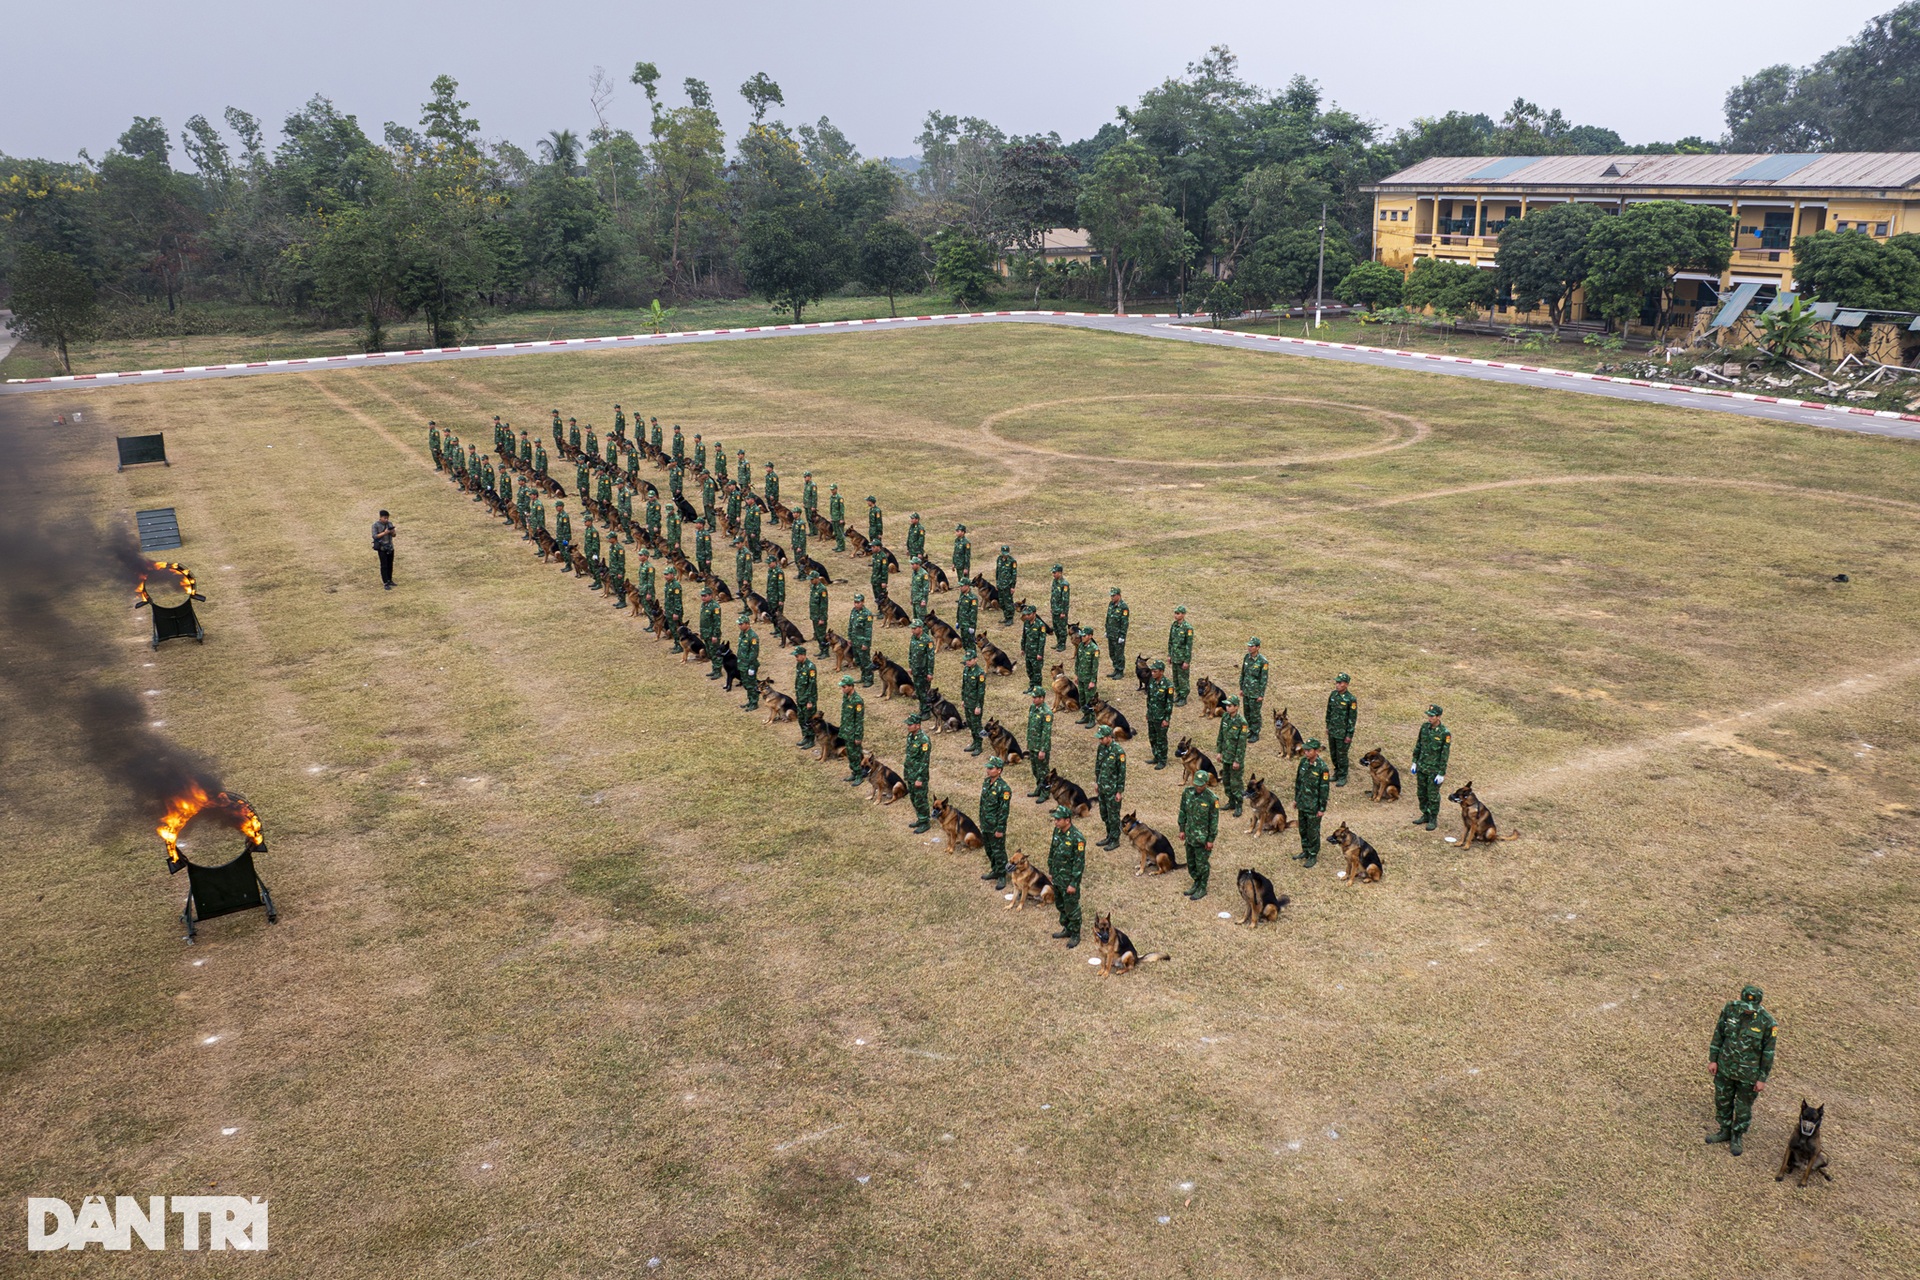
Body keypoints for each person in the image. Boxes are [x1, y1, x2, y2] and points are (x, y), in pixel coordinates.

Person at [1707, 984, 1778, 1156]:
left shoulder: (1767, 1023)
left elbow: (1768, 1053)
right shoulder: (1730, 1010)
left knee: (1743, 1107)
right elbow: (1719, 1034)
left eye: (1751, 1008)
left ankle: (1737, 1136)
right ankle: (1724, 1130)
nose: (1747, 1010)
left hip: (1748, 1075)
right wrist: (1713, 1059)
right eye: (1745, 1006)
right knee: (1722, 1100)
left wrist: (1762, 1078)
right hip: (1725, 1068)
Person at [1047, 805, 1086, 948]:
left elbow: (1079, 863)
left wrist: (1073, 884)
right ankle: (1067, 928)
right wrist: (1051, 871)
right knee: (1060, 904)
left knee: (1071, 907)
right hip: (1057, 877)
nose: (1055, 822)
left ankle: (1075, 933)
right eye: (1055, 819)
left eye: (1058, 819)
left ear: (1067, 820)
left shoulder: (1078, 838)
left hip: (1068, 880)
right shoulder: (1057, 831)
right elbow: (1053, 851)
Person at [1411, 704, 1451, 831]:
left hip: (1434, 770)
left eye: (1432, 716)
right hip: (1422, 767)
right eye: (1429, 715)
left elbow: (1444, 755)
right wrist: (1414, 761)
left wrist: (1441, 773)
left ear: (1438, 717)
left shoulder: (1445, 733)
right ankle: (1425, 814)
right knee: (1421, 793)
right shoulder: (1424, 728)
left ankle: (1433, 817)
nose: (1429, 718)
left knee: (1432, 795)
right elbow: (1419, 744)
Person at [1179, 770, 1219, 899]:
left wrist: (1210, 839)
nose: (1198, 787)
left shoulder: (1212, 799)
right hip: (1190, 835)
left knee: (1202, 864)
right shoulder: (1187, 792)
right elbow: (1183, 811)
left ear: (1206, 784)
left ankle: (1202, 887)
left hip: (1202, 839)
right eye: (1196, 784)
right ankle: (1196, 882)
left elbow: (1214, 821)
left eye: (1201, 785)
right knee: (1191, 863)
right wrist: (1181, 829)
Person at [1293, 738, 1330, 867]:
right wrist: (1296, 799)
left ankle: (1313, 855)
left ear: (1316, 751)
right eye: (1305, 750)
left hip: (1313, 807)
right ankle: (1305, 850)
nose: (1306, 752)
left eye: (1309, 750)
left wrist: (1321, 808)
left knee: (1312, 832)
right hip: (1302, 803)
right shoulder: (1303, 762)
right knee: (1302, 829)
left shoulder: (1322, 768)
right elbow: (1298, 782)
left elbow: (1324, 790)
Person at [978, 757, 1012, 889]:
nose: (988, 770)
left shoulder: (1004, 789)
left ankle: (1002, 875)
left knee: (999, 851)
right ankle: (995, 870)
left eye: (991, 768)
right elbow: (983, 803)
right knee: (989, 849)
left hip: (995, 826)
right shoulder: (986, 782)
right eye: (988, 767)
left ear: (999, 770)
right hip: (985, 824)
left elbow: (1004, 811)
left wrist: (1000, 829)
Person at [1094, 723, 1127, 850]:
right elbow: (1098, 766)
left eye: (1102, 738)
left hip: (1112, 790)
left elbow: (1121, 773)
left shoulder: (1119, 751)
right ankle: (1109, 836)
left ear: (1109, 737)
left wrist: (1119, 791)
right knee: (1104, 814)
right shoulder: (1101, 748)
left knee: (1113, 815)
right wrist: (1097, 782)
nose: (1100, 740)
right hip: (1102, 787)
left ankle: (1115, 839)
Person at [1217, 695, 1249, 816]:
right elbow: (1221, 735)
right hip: (1225, 756)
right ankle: (1231, 802)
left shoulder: (1242, 722)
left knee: (1236, 783)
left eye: (1230, 706)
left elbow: (1241, 745)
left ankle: (1239, 804)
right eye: (1226, 705)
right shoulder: (1225, 717)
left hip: (1235, 758)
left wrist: (1237, 760)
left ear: (1236, 707)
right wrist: (1219, 752)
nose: (1227, 707)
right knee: (1226, 780)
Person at [1326, 674, 1359, 787]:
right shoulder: (1333, 695)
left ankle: (1342, 776)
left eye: (1340, 683)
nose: (1337, 685)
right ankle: (1337, 772)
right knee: (1333, 754)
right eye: (1337, 682)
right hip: (1332, 730)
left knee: (1342, 756)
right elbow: (1329, 711)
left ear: (1346, 684)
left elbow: (1352, 719)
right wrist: (1327, 726)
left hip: (1343, 733)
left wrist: (1349, 734)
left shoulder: (1351, 699)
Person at [904, 713, 933, 832]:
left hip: (919, 775)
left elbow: (925, 761)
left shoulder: (924, 740)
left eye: (910, 724)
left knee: (920, 799)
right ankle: (920, 819)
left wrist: (920, 778)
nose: (908, 726)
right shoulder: (911, 737)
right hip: (910, 773)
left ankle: (925, 821)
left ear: (918, 726)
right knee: (913, 797)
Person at [1024, 686, 1053, 800]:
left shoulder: (1047, 713)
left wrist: (1043, 749)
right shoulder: (1032, 708)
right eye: (1033, 697)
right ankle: (1039, 787)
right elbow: (1031, 726)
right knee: (1035, 769)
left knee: (1043, 771)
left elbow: (1046, 733)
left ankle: (1045, 792)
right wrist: (1029, 742)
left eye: (1036, 697)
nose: (1033, 699)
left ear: (1042, 698)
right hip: (1033, 744)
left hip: (1040, 747)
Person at [1240, 637, 1269, 742]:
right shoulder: (1246, 658)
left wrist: (1261, 695)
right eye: (1249, 645)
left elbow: (1263, 680)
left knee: (1255, 714)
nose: (1249, 648)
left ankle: (1255, 733)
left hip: (1255, 693)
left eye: (1252, 646)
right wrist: (1241, 688)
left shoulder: (1263, 662)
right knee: (1247, 712)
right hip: (1246, 691)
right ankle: (1251, 730)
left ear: (1258, 647)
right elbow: (1243, 673)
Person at [840, 676, 867, 784]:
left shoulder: (857, 701)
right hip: (846, 731)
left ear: (851, 686)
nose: (843, 689)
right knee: (850, 754)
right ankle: (854, 772)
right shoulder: (846, 697)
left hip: (853, 733)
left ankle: (859, 774)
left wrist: (858, 736)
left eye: (844, 687)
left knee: (856, 754)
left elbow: (859, 720)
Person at [1147, 659, 1173, 768]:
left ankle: (1162, 760)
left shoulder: (1168, 685)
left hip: (1161, 717)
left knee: (1161, 739)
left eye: (1155, 671)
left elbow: (1169, 703)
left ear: (1161, 672)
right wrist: (1148, 712)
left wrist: (1166, 719)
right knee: (1152, 737)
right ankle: (1156, 756)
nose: (1152, 673)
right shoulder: (1151, 682)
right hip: (1152, 715)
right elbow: (1149, 698)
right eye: (1152, 671)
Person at [960, 649, 986, 755]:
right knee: (970, 724)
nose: (967, 662)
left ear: (976, 659)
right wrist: (963, 699)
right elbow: (964, 686)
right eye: (967, 660)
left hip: (975, 704)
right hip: (967, 702)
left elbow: (981, 692)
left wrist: (978, 706)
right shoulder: (966, 670)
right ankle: (974, 742)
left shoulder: (980, 673)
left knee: (977, 726)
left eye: (970, 660)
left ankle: (979, 746)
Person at [793, 648, 819, 749]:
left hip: (808, 699)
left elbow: (812, 685)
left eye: (797, 656)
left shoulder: (811, 667)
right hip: (801, 697)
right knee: (801, 717)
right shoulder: (799, 665)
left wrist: (810, 701)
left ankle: (811, 739)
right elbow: (798, 681)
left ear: (803, 655)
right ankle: (806, 736)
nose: (796, 658)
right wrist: (798, 695)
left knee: (809, 719)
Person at [1168, 606, 1194, 705]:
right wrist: (1169, 655)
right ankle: (1178, 694)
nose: (1176, 615)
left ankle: (1183, 697)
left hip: (1182, 658)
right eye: (1175, 613)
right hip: (1175, 656)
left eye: (1178, 613)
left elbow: (1189, 645)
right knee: (1176, 677)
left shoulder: (1188, 628)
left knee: (1183, 678)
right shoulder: (1174, 625)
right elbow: (1170, 641)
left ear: (1183, 614)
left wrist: (1187, 661)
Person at [908, 621, 935, 714]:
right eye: (912, 628)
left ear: (921, 628)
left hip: (924, 671)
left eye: (914, 628)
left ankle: (926, 711)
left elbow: (931, 658)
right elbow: (911, 653)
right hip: (916, 669)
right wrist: (911, 666)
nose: (912, 630)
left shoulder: (928, 640)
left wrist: (930, 673)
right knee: (918, 690)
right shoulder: (913, 638)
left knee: (924, 692)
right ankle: (922, 708)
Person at [848, 593, 875, 686]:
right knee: (859, 661)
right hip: (855, 641)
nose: (856, 604)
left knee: (865, 661)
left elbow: (868, 630)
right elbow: (850, 625)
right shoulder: (853, 611)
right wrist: (850, 638)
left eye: (858, 602)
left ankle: (869, 679)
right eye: (855, 602)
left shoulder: (867, 614)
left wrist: (866, 643)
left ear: (863, 602)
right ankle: (863, 677)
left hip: (862, 642)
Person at [1020, 604, 1047, 691]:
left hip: (1036, 653)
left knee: (1037, 672)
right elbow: (1024, 636)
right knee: (1029, 671)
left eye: (1029, 614)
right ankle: (1032, 687)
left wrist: (1040, 653)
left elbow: (1042, 641)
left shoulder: (1040, 625)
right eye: (1026, 614)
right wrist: (1022, 648)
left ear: (1034, 613)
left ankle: (1038, 689)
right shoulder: (1026, 623)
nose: (1027, 616)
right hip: (1028, 651)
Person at [737, 616, 761, 711]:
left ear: (747, 624)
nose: (739, 626)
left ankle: (754, 702)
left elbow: (754, 652)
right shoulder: (743, 634)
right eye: (739, 624)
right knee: (746, 684)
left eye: (741, 624)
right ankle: (750, 700)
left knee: (751, 684)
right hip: (742, 664)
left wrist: (751, 666)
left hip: (749, 665)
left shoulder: (753, 636)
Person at [1104, 587, 1130, 678]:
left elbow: (1124, 623)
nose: (1112, 597)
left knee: (1119, 654)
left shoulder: (1123, 607)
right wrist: (1107, 630)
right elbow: (1108, 618)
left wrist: (1122, 636)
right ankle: (1116, 668)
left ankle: (1120, 671)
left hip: (1118, 635)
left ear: (1119, 595)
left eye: (1113, 596)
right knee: (1112, 653)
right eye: (1111, 596)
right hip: (1111, 633)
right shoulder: (1111, 604)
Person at [699, 589, 724, 679]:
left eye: (705, 596)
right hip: (705, 633)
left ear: (710, 596)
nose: (703, 598)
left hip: (712, 634)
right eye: (702, 596)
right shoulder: (704, 605)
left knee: (715, 652)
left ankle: (718, 671)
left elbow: (717, 623)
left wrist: (715, 635)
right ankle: (714, 669)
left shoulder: (715, 607)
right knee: (710, 652)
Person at [371, 510, 397, 589]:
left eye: (387, 518)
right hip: (382, 548)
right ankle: (385, 582)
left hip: (390, 547)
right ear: (380, 517)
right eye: (385, 518)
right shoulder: (375, 525)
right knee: (384, 565)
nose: (386, 520)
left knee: (390, 564)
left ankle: (390, 579)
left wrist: (392, 532)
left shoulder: (389, 524)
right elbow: (375, 536)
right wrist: (384, 533)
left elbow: (394, 535)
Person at [1048, 565, 1071, 651]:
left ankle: (1062, 644)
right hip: (1055, 609)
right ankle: (1058, 642)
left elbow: (1065, 599)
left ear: (1060, 573)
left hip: (1061, 610)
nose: (1053, 574)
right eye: (1053, 572)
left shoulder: (1064, 584)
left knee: (1061, 628)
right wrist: (1052, 607)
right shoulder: (1054, 581)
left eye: (1055, 572)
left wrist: (1063, 612)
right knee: (1056, 627)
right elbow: (1053, 595)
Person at [808, 570, 831, 657]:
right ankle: (821, 650)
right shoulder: (813, 587)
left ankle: (825, 652)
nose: (811, 581)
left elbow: (823, 605)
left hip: (820, 616)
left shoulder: (822, 589)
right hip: (814, 615)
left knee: (822, 635)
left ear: (817, 578)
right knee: (817, 634)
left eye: (812, 579)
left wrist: (822, 618)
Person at [995, 545, 1018, 625]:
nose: (1005, 555)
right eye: (1004, 553)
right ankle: (1006, 617)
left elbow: (1014, 574)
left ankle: (1010, 618)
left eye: (1006, 553)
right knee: (1001, 602)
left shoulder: (1012, 561)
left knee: (1008, 602)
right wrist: (997, 583)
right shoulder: (999, 559)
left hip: (1008, 586)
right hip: (1000, 585)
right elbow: (997, 571)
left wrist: (1012, 587)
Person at [663, 568, 685, 651]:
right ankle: (676, 644)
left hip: (674, 611)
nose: (665, 576)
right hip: (669, 610)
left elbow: (677, 600)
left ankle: (680, 645)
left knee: (676, 629)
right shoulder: (668, 584)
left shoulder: (676, 585)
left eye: (667, 574)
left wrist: (676, 612)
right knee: (672, 628)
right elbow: (667, 598)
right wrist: (665, 608)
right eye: (665, 574)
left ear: (672, 574)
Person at [829, 484, 847, 552]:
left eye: (833, 489)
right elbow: (831, 508)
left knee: (840, 533)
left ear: (836, 489)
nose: (832, 491)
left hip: (839, 518)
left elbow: (841, 509)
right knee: (836, 533)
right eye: (831, 489)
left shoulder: (839, 498)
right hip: (834, 518)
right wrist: (831, 517)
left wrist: (842, 519)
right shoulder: (832, 497)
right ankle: (838, 545)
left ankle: (842, 547)